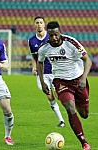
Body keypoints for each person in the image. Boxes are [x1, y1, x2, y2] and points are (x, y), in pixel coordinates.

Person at [37, 21, 92, 150]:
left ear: (59, 32)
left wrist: (83, 78)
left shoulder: (71, 43)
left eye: (56, 34)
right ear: (48, 35)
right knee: (69, 108)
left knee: (84, 114)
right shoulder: (44, 47)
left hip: (78, 81)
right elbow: (40, 62)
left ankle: (77, 103)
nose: (54, 38)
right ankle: (84, 142)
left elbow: (87, 60)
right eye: (51, 35)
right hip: (60, 81)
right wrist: (42, 81)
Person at [28, 16, 65, 127]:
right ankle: (61, 120)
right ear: (34, 25)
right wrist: (34, 67)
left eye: (41, 22)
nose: (39, 24)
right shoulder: (31, 40)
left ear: (44, 25)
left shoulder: (51, 37)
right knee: (50, 96)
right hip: (42, 73)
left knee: (60, 96)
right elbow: (34, 57)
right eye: (37, 22)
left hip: (55, 71)